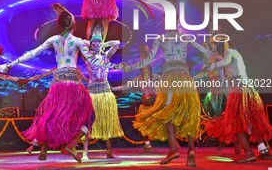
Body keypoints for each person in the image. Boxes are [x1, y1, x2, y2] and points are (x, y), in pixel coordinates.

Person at [3, 3, 123, 163]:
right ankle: (72, 145)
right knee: (90, 116)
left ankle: (45, 147)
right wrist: (113, 65)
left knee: (52, 115)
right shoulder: (78, 41)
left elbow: (33, 53)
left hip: (58, 83)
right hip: (73, 84)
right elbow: (94, 60)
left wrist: (12, 64)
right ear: (73, 24)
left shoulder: (54, 39)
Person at [124, 30, 202, 167]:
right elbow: (204, 51)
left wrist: (131, 67)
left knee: (167, 114)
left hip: (170, 80)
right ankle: (191, 152)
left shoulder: (161, 38)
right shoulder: (186, 37)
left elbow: (148, 60)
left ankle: (173, 149)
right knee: (189, 114)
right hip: (185, 79)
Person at [206, 40, 272, 162]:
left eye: (216, 46)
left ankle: (249, 153)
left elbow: (226, 61)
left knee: (234, 123)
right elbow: (226, 65)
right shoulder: (235, 54)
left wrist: (214, 65)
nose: (214, 48)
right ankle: (264, 151)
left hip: (239, 91)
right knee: (251, 122)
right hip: (247, 90)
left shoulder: (229, 52)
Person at [82, 25, 124, 159]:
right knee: (88, 123)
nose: (97, 44)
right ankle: (85, 152)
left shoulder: (106, 56)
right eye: (95, 43)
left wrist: (102, 44)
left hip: (105, 91)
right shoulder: (88, 57)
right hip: (92, 92)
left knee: (107, 122)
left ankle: (109, 152)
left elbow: (116, 43)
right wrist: (92, 43)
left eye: (99, 43)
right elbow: (82, 44)